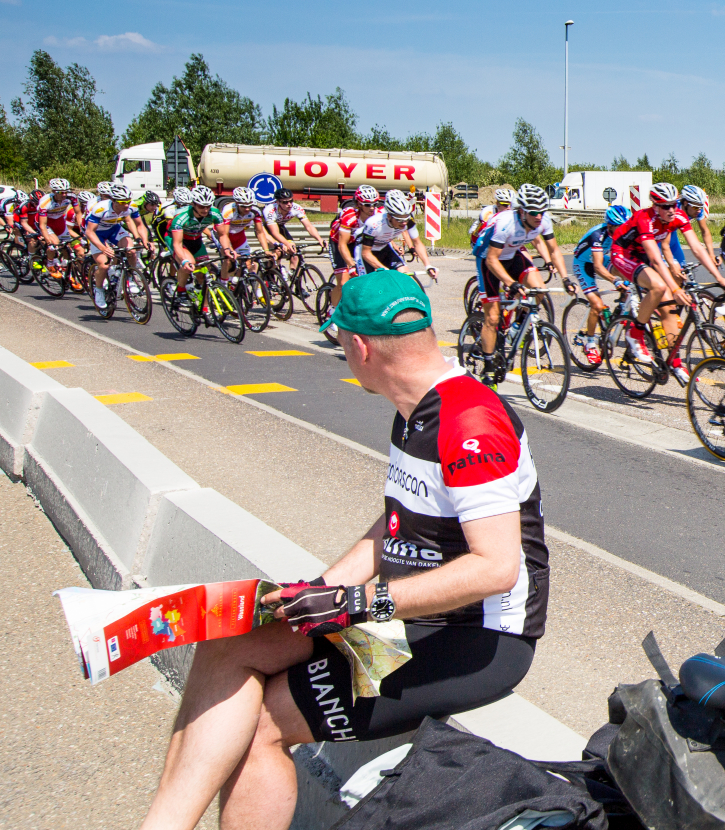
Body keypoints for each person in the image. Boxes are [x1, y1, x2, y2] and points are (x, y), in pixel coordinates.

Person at [135, 269, 547, 830]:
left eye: (339, 344)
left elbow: (496, 568)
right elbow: (396, 521)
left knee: (262, 730)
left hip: (476, 639)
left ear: (360, 346)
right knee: (225, 646)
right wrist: (321, 590)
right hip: (404, 618)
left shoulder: (469, 422)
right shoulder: (415, 410)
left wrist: (357, 604)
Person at [606, 183, 725, 363]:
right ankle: (635, 333)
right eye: (665, 206)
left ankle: (674, 362)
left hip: (644, 254)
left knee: (669, 308)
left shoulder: (678, 215)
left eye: (673, 204)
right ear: (655, 206)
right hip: (623, 253)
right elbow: (656, 260)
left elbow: (696, 248)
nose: (671, 210)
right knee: (659, 286)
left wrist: (719, 277)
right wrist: (676, 290)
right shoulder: (645, 219)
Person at [475, 184, 561, 361]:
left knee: (539, 290)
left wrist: (563, 275)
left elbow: (549, 247)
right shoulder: (505, 223)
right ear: (522, 212)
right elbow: (492, 259)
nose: (539, 216)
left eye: (542, 212)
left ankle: (517, 326)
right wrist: (510, 283)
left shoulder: (538, 221)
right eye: (533, 212)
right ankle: (488, 366)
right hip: (488, 257)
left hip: (512, 252)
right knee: (492, 317)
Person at [569, 205, 633, 363]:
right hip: (584, 263)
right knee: (597, 304)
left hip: (601, 258)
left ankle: (620, 310)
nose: (623, 231)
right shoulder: (598, 235)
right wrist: (614, 280)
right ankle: (589, 343)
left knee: (629, 277)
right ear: (610, 225)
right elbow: (597, 266)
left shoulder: (622, 232)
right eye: (620, 227)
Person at [80, 182, 149, 310]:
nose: (126, 205)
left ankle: (130, 278)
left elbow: (138, 224)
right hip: (97, 233)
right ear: (113, 201)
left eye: (128, 201)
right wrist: (103, 248)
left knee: (131, 251)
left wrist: (142, 239)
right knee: (104, 264)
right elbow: (89, 232)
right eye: (123, 202)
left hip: (113, 229)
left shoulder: (130, 207)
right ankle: (99, 290)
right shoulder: (100, 208)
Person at [354, 190, 438, 282]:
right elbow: (366, 253)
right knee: (369, 285)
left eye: (406, 219)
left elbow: (417, 243)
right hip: (365, 251)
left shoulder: (407, 222)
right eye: (399, 220)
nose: (404, 223)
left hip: (383, 248)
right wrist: (383, 269)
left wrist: (428, 265)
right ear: (389, 216)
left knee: (405, 278)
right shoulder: (374, 224)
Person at [167, 186, 234, 297]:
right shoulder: (181, 216)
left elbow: (222, 235)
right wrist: (183, 261)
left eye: (208, 206)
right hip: (177, 239)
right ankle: (180, 290)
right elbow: (177, 244)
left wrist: (227, 249)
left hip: (195, 238)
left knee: (204, 271)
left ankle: (204, 305)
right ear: (193, 204)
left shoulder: (215, 213)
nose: (205, 210)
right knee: (189, 264)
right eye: (202, 207)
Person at [261, 189, 323, 270]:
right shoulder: (270, 211)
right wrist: (286, 243)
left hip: (280, 227)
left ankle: (291, 276)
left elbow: (309, 226)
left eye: (291, 201)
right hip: (265, 230)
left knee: (295, 253)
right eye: (285, 202)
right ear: (278, 202)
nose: (289, 204)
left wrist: (319, 238)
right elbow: (274, 233)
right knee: (278, 252)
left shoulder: (296, 208)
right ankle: (269, 274)